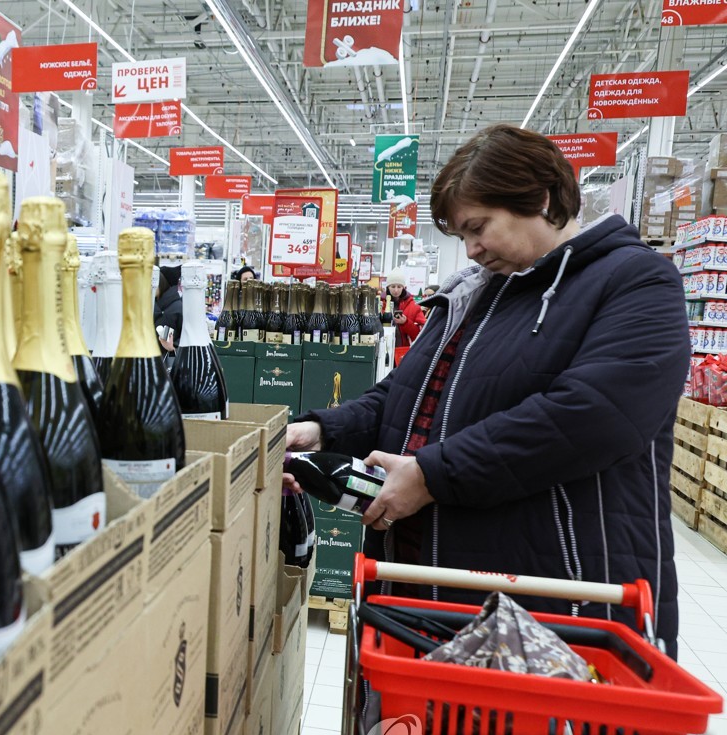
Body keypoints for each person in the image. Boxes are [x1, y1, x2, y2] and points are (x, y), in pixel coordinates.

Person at [285, 123, 688, 654]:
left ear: (540, 199)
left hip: (554, 606)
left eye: (479, 227)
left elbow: (593, 416)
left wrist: (433, 474)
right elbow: (404, 395)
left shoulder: (636, 281)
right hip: (433, 594)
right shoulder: (477, 295)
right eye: (461, 236)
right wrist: (322, 428)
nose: (471, 249)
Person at [383, 270, 425, 355]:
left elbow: (421, 334)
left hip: (404, 352)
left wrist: (406, 323)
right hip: (383, 350)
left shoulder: (414, 306)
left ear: (404, 287)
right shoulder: (380, 304)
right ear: (387, 287)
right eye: (393, 286)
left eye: (399, 286)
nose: (396, 290)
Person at [154, 264, 183, 353]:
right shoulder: (150, 303)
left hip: (166, 361)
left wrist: (172, 348)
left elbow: (186, 338)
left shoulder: (177, 308)